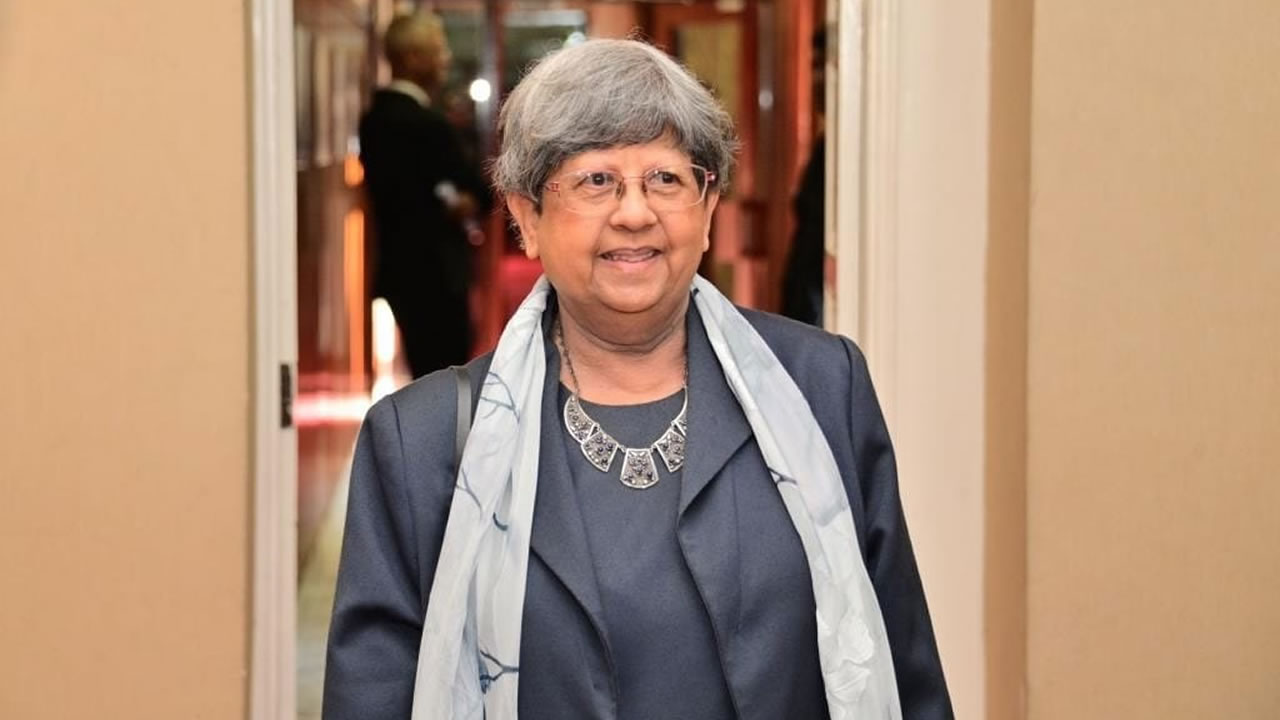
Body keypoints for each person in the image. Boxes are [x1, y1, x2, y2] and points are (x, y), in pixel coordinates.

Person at [325, 39, 953, 720]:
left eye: (666, 179)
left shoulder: (822, 387)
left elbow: (905, 668)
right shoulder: (419, 443)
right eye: (596, 180)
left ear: (707, 209)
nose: (634, 212)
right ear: (527, 218)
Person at [359, 12, 489, 378]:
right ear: (414, 57)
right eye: (439, 50)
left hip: (400, 270)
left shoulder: (373, 120)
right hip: (439, 275)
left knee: (425, 374)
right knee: (449, 378)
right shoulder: (428, 125)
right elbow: (476, 192)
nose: (446, 59)